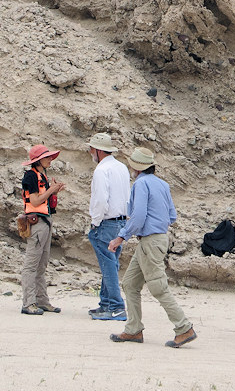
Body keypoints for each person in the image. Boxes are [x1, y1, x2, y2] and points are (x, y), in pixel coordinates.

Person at [108, 147, 197, 348]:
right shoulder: (162, 184)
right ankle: (133, 329)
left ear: (136, 168)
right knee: (130, 283)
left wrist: (120, 237)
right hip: (157, 239)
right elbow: (172, 215)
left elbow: (138, 216)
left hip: (149, 240)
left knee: (158, 287)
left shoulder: (140, 184)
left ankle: (183, 328)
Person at [86, 132, 131, 321]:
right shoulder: (121, 167)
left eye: (91, 150)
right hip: (121, 221)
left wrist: (95, 222)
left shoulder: (101, 170)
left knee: (108, 265)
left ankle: (116, 306)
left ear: (97, 150)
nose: (90, 153)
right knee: (111, 262)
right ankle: (105, 303)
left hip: (107, 222)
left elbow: (101, 200)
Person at [20, 144, 66, 315]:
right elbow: (35, 201)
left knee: (41, 263)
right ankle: (28, 302)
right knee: (32, 264)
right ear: (39, 160)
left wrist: (53, 192)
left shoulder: (40, 175)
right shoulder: (30, 176)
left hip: (44, 221)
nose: (50, 160)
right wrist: (51, 190)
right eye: (47, 157)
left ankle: (42, 301)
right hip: (38, 223)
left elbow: (43, 201)